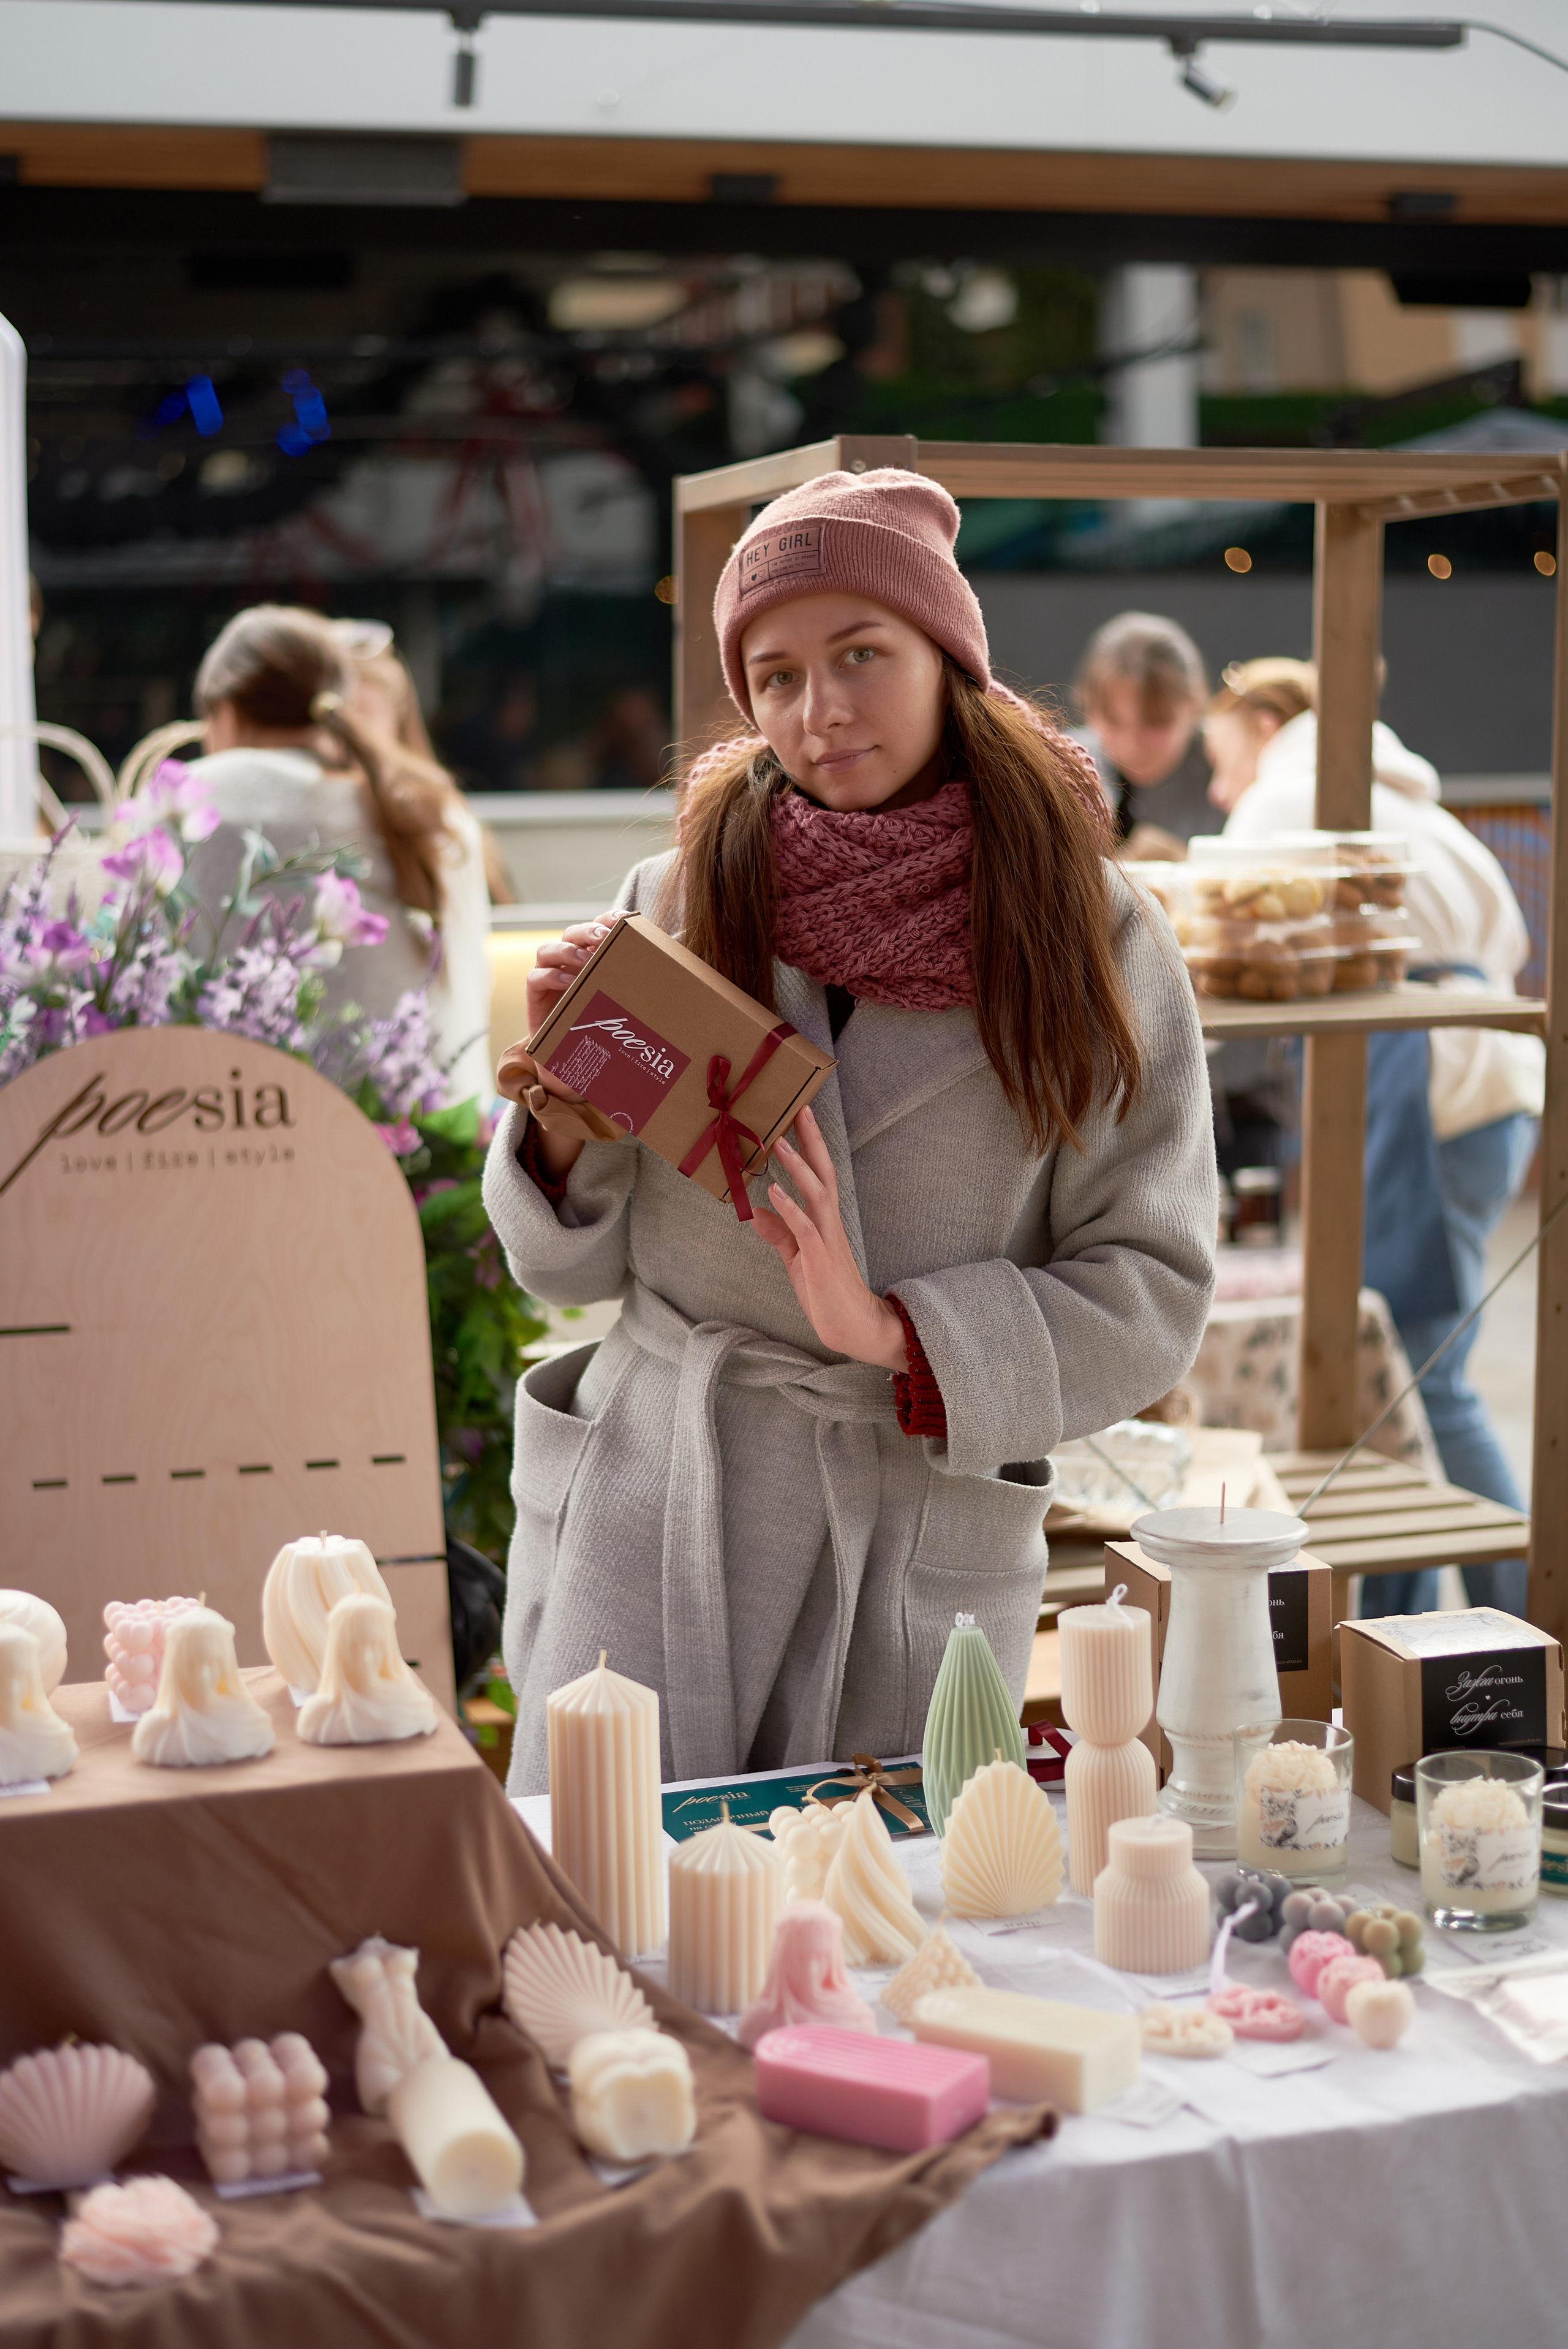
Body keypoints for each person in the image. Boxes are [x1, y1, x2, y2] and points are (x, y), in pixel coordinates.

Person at [483, 468, 1218, 1795]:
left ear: (949, 657)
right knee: (611, 1889)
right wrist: (562, 1132)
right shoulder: (676, 899)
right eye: (774, 676)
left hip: (906, 1516)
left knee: (882, 1902)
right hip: (659, 1495)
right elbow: (564, 1270)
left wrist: (899, 1337)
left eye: (860, 654)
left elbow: (1152, 1286)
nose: (817, 710)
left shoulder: (1096, 934)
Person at [1205, 657, 1544, 1617]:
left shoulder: (1290, 798)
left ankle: (1527, 1625)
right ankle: (1408, 1621)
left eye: (1220, 760)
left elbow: (1218, 939)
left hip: (1423, 1088)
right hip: (1486, 1088)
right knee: (1408, 1373)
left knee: (1421, 1378)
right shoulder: (1417, 807)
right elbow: (1510, 942)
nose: (1221, 788)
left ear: (1264, 725)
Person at [181, 605, 494, 1103]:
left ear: (226, 714)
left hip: (264, 1126)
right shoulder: (428, 808)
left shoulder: (198, 799)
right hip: (445, 1128)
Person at [1075, 612, 1223, 859]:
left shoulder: (1229, 766)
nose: (1133, 744)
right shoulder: (1063, 766)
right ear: (1087, 708)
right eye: (1113, 721)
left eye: (1156, 723)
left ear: (1194, 706)